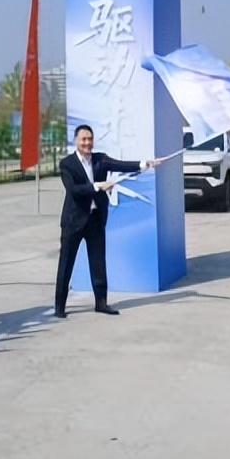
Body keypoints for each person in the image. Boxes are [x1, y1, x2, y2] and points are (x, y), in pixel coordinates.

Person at [53, 125, 157, 318]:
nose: (87, 143)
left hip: (95, 219)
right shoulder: (67, 164)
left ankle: (101, 303)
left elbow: (121, 165)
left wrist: (145, 164)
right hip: (73, 221)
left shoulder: (100, 159)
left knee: (98, 262)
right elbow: (73, 190)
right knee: (66, 263)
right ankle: (59, 306)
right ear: (76, 141)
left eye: (90, 139)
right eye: (83, 139)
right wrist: (97, 186)